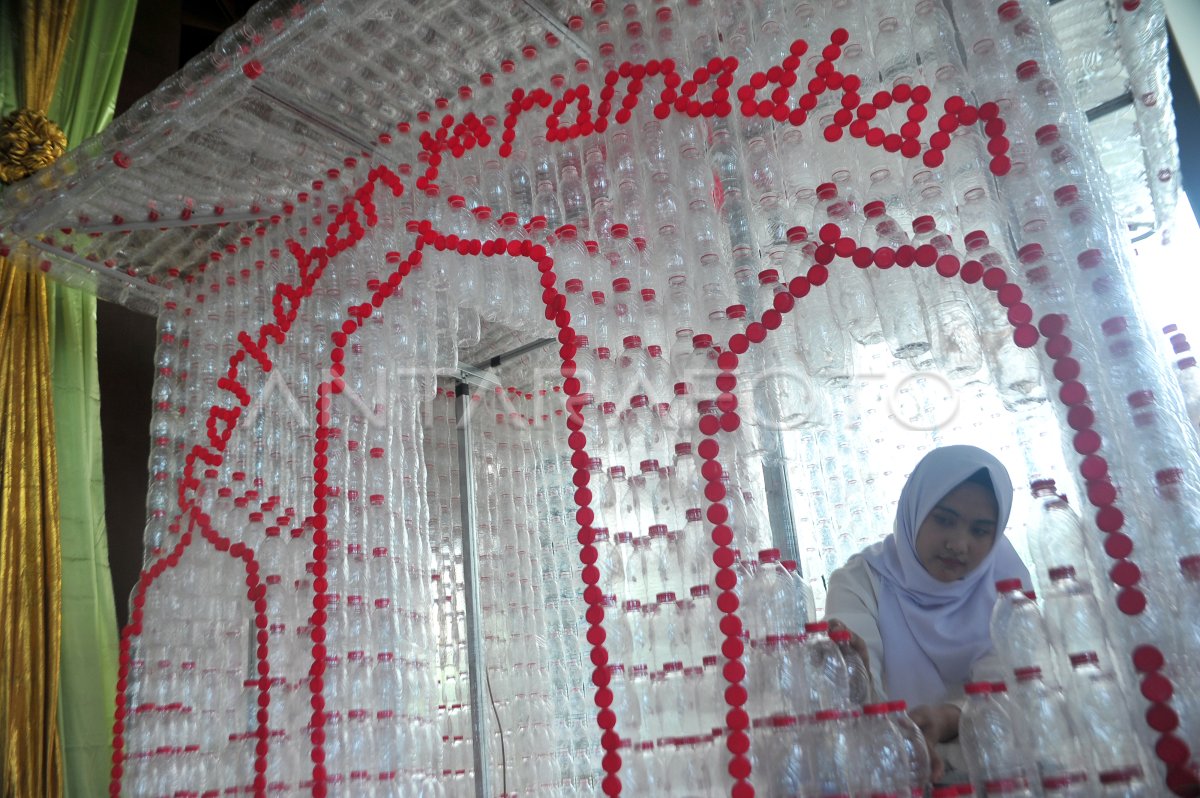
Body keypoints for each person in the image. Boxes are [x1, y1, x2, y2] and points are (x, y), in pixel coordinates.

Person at [824, 445, 1031, 781]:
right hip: (895, 775)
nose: (958, 544)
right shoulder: (860, 583)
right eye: (945, 520)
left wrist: (951, 718)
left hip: (1001, 775)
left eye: (979, 531)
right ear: (915, 510)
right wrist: (855, 681)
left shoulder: (1007, 585)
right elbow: (856, 702)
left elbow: (1019, 692)